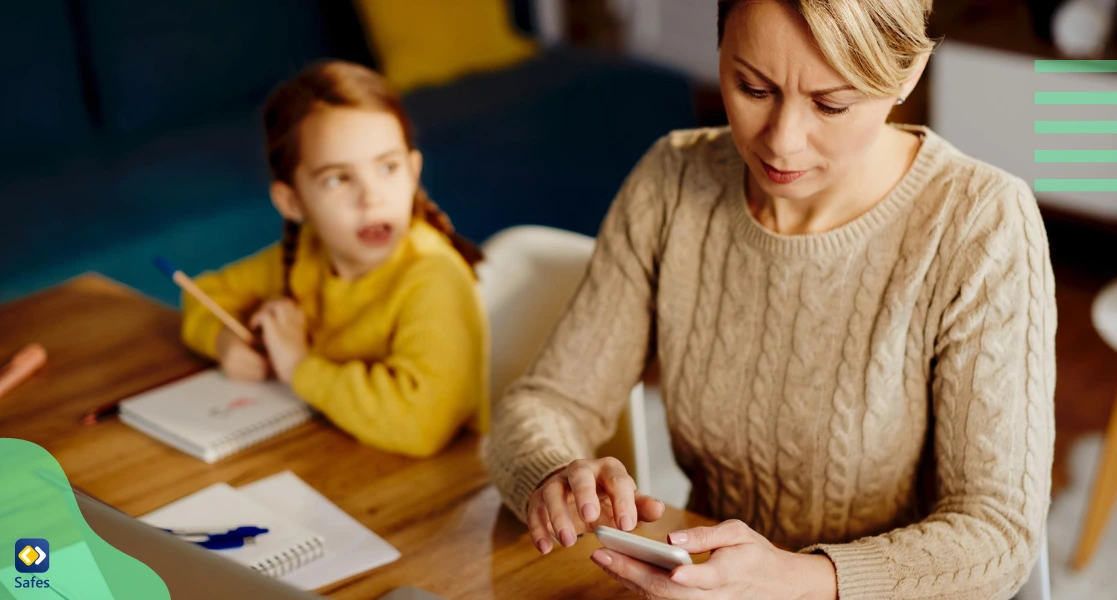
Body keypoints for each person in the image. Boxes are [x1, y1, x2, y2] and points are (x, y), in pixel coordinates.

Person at [484, 0, 1056, 598]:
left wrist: (802, 580)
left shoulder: (980, 223)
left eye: (831, 104)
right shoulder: (672, 184)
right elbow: (545, 403)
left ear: (907, 75)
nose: (782, 142)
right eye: (752, 87)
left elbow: (998, 532)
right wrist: (551, 471)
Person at [180, 60, 488, 458]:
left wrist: (298, 366)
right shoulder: (305, 254)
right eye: (339, 178)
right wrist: (224, 340)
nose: (371, 197)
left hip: (438, 493)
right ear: (292, 201)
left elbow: (421, 425)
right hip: (331, 461)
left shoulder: (433, 276)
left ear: (413, 172)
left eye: (387, 168)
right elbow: (202, 292)